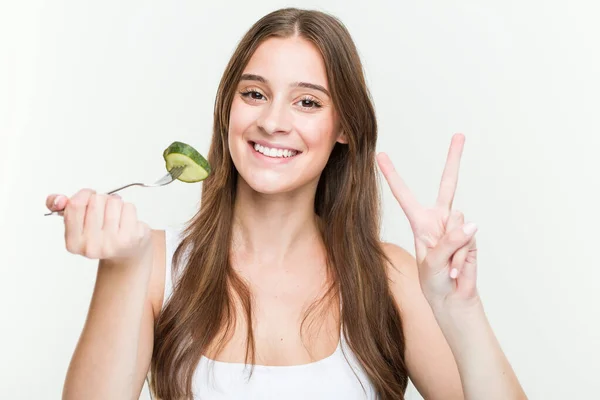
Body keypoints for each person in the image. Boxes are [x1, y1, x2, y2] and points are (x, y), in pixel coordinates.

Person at [46, 7, 527, 400]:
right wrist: (123, 266)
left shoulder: (391, 277)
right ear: (228, 109)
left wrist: (458, 309)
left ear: (344, 128)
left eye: (308, 102)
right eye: (254, 93)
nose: (274, 121)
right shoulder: (149, 263)